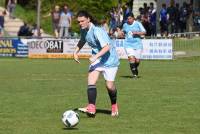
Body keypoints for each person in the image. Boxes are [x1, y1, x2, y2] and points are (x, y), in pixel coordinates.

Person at [73, 10, 120, 117]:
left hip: (110, 60)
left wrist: (95, 56)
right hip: (98, 60)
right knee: (91, 80)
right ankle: (91, 107)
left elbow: (107, 47)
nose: (80, 24)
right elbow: (82, 40)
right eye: (79, 22)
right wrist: (75, 52)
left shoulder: (97, 31)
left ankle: (114, 104)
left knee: (109, 86)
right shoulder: (84, 30)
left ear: (88, 19)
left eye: (82, 21)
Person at [120, 13, 146, 78]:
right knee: (131, 58)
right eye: (127, 19)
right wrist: (122, 33)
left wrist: (137, 32)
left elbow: (144, 32)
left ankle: (133, 68)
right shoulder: (125, 25)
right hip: (128, 44)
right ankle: (135, 75)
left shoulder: (138, 23)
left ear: (133, 18)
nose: (128, 20)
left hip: (137, 44)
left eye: (130, 18)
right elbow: (123, 31)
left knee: (137, 60)